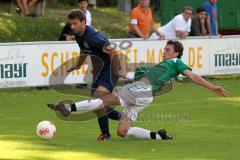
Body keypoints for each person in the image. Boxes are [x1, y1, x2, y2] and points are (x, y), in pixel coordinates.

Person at [49, 40, 228, 140]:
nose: (164, 52)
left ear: (176, 54)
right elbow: (139, 78)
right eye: (165, 49)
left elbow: (193, 76)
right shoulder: (159, 67)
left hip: (142, 90)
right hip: (145, 95)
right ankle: (160, 136)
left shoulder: (176, 63)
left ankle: (67, 108)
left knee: (103, 101)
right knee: (122, 132)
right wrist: (124, 76)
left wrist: (213, 87)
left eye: (168, 50)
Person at [59, 9, 126, 140]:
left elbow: (113, 52)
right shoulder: (79, 35)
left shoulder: (94, 37)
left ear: (83, 22)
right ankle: (123, 118)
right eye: (70, 24)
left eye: (75, 23)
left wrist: (117, 70)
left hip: (110, 69)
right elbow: (83, 50)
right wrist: (78, 64)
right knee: (97, 106)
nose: (72, 27)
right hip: (98, 70)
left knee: (97, 100)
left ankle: (105, 134)